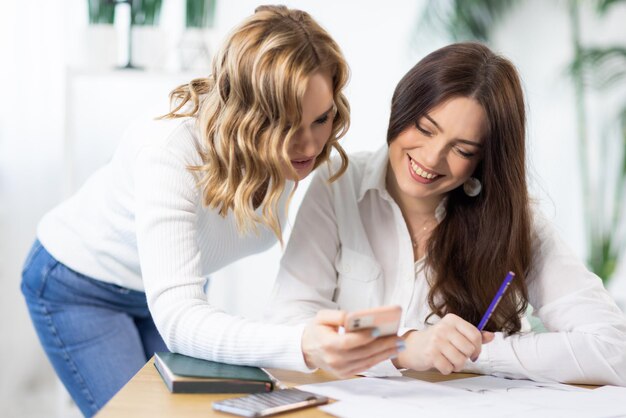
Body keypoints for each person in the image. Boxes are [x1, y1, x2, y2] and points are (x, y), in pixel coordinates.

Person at [20, 6, 400, 416]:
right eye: (287, 125)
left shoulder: (293, 152)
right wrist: (301, 343)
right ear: (247, 117)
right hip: (81, 285)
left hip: (170, 291)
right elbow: (180, 318)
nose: (309, 146)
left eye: (321, 119)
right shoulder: (171, 151)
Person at [267, 42, 626, 386]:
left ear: (484, 159)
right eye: (425, 129)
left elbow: (614, 349)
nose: (431, 158)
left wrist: (471, 354)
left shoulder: (514, 218)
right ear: (400, 108)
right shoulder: (337, 184)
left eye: (463, 149)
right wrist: (403, 347)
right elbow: (292, 326)